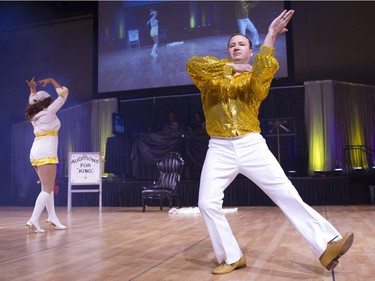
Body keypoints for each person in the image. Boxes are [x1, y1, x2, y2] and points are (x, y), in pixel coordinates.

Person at [186, 9, 353, 275]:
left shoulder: (255, 79)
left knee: (286, 193)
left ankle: (327, 244)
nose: (236, 47)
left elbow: (265, 71)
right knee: (206, 203)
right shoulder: (211, 79)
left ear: (250, 52)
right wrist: (231, 67)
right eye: (232, 45)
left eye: (241, 44)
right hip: (218, 147)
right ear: (228, 52)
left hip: (251, 144)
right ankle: (231, 256)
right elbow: (193, 63)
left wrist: (271, 35)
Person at [25, 77, 69, 233]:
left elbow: (32, 98)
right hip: (46, 151)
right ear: (47, 102)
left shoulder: (34, 112)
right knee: (47, 189)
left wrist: (32, 89)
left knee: (47, 188)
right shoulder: (49, 111)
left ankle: (52, 217)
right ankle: (34, 220)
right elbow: (63, 94)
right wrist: (51, 80)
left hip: (36, 151)